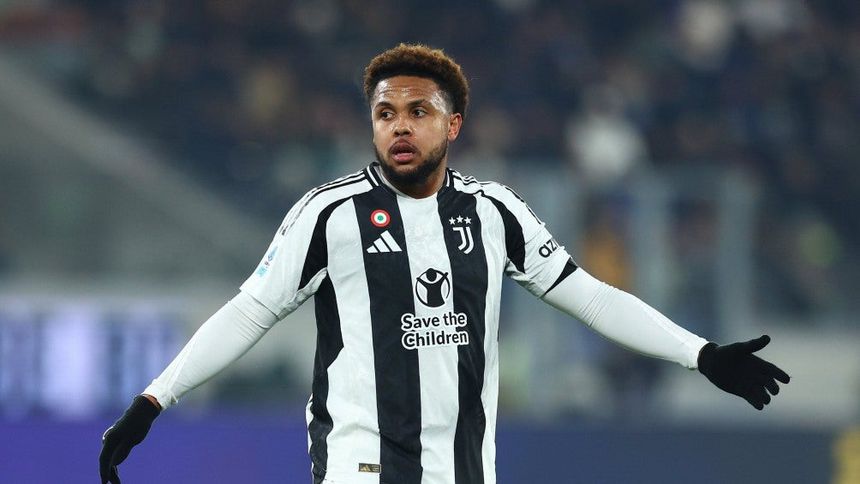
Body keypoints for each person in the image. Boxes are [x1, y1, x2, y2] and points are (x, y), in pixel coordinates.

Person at [99, 44, 790, 484]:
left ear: (452, 125)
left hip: (464, 470)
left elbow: (589, 296)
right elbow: (251, 310)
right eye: (385, 113)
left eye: (418, 111)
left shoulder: (495, 212)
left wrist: (699, 354)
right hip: (360, 465)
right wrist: (154, 400)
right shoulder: (329, 215)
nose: (399, 125)